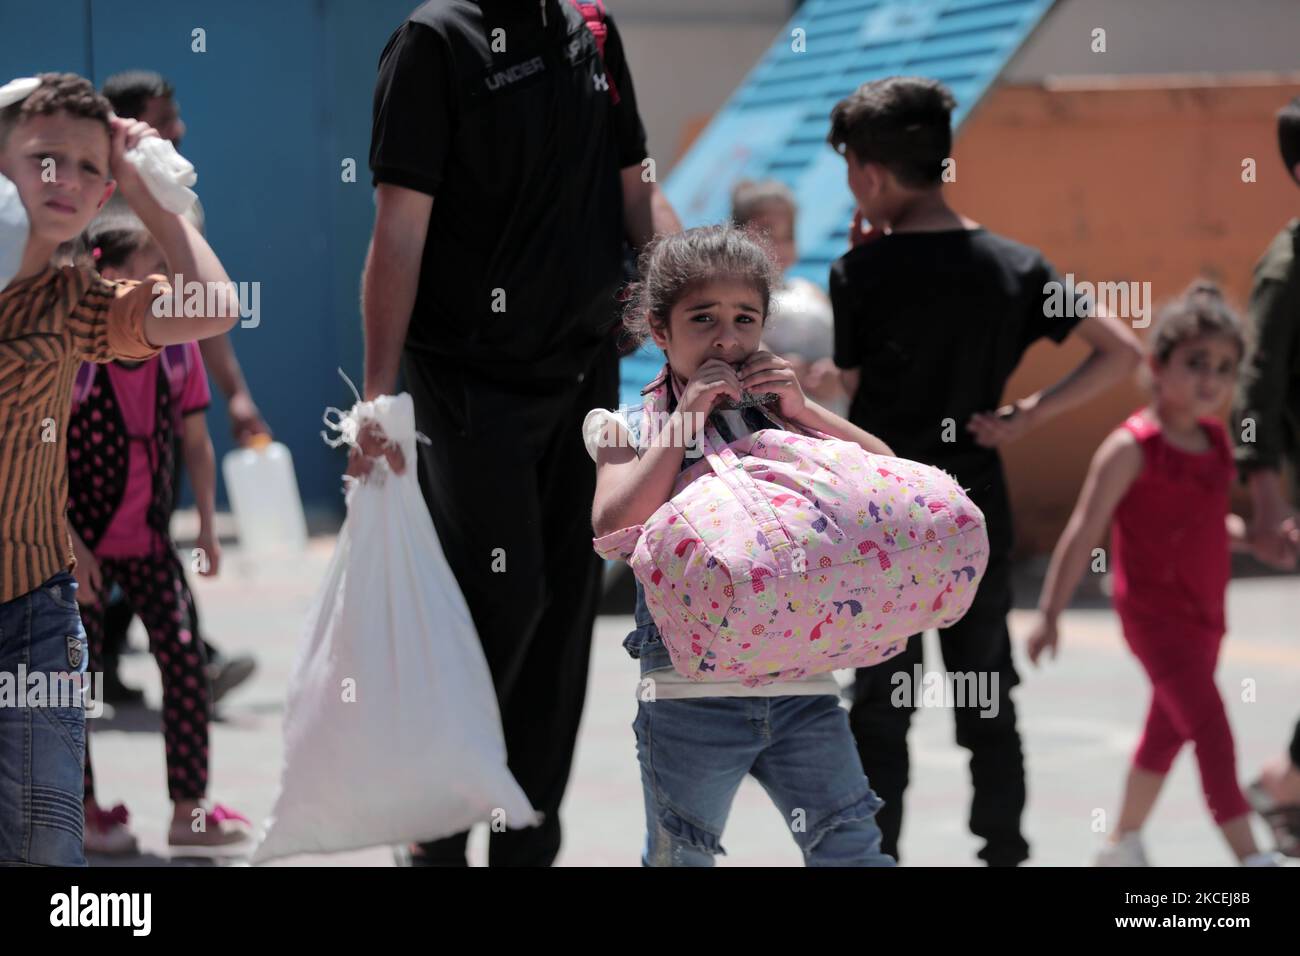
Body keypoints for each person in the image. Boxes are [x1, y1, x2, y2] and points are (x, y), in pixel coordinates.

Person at [358, 0, 680, 866]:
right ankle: (436, 820)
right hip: (469, 381)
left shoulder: (595, 35)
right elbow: (400, 225)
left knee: (568, 609)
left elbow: (636, 192)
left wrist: (696, 316)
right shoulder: (436, 42)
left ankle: (526, 833)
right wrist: (378, 396)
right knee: (507, 597)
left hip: (583, 379)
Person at [828, 75, 1143, 865]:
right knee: (987, 695)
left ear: (868, 173)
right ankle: (1002, 850)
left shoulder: (858, 275)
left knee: (880, 705)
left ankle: (877, 855)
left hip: (885, 518)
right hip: (975, 511)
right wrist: (1026, 415)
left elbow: (847, 396)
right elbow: (1124, 352)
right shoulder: (1013, 264)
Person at [586, 224, 896, 866]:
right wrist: (687, 419)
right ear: (660, 329)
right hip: (688, 699)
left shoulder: (784, 415)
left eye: (744, 318)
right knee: (681, 858)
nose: (726, 337)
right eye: (703, 318)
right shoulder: (630, 427)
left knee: (853, 850)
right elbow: (615, 525)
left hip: (804, 686)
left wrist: (805, 410)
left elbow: (888, 485)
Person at [0, 73, 239, 865]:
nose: (61, 180)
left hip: (33, 611)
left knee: (46, 847)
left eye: (84, 165)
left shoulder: (75, 300)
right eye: (41, 159)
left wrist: (149, 191)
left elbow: (210, 308)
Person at [1028, 282, 1288, 867]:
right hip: (1154, 620)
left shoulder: (1218, 441)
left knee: (1165, 734)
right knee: (1213, 733)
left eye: (1224, 368)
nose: (1211, 379)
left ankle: (1120, 846)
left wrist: (1258, 543)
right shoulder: (1131, 447)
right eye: (1196, 363)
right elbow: (1083, 529)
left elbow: (1206, 521)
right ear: (1157, 365)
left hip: (1207, 618)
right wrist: (1048, 614)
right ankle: (1253, 858)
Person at [68, 208, 252, 855]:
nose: (171, 286)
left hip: (149, 543)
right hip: (83, 549)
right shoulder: (77, 361)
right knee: (68, 682)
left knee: (182, 658)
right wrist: (72, 545)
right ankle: (80, 809)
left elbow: (196, 443)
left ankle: (189, 813)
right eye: (156, 272)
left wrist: (205, 524)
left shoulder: (177, 352)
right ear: (111, 278)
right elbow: (38, 459)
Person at [101, 70, 261, 708]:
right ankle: (172, 660)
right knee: (108, 542)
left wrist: (234, 392)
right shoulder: (90, 207)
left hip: (156, 407)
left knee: (144, 542)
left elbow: (202, 311)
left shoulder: (175, 206)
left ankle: (181, 661)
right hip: (95, 414)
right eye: (164, 117)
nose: (179, 129)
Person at [1232, 93, 1300, 856]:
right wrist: (1268, 496)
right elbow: (1258, 387)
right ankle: (1285, 782)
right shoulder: (1287, 268)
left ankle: (1287, 783)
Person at [730, 179, 848, 416]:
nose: (780, 245)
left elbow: (843, 351)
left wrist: (837, 375)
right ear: (739, 235)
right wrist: (780, 366)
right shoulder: (733, 298)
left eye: (789, 235)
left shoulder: (809, 289)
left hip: (827, 419)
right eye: (768, 233)